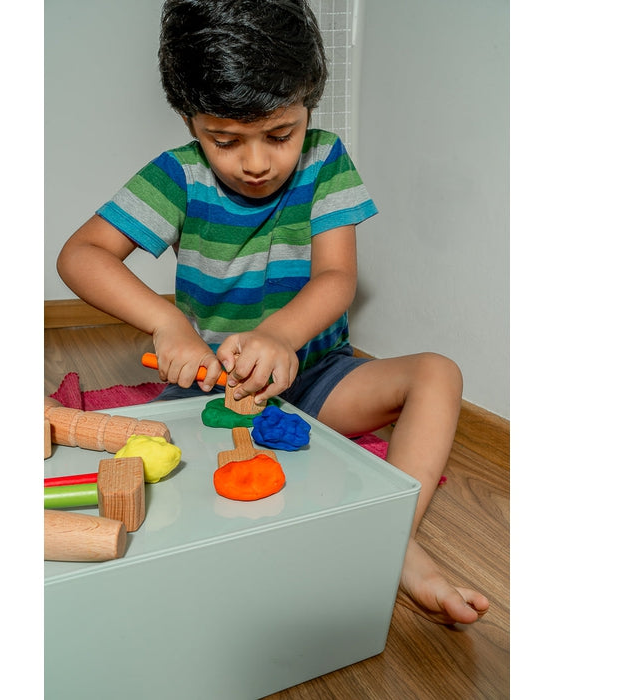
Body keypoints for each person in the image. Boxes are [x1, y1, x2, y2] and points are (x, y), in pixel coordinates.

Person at [57, 0, 489, 625]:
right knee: (165, 490)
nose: (256, 163)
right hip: (212, 388)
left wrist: (282, 335)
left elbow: (338, 277)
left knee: (438, 372)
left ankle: (394, 536)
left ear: (308, 103)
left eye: (279, 135)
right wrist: (168, 323)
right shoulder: (177, 175)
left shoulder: (326, 161)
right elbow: (81, 254)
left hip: (315, 378)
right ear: (188, 119)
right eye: (225, 140)